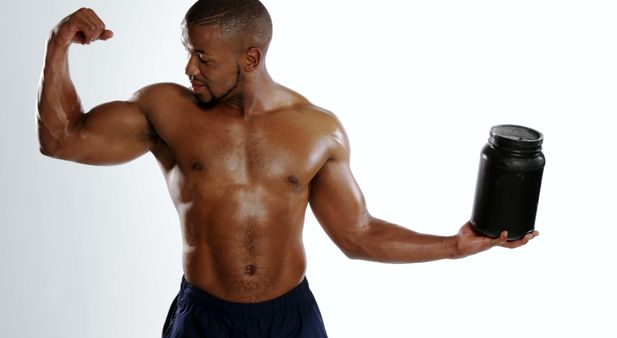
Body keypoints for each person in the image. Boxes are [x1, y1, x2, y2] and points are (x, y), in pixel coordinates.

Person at [36, 1, 538, 337]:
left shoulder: (316, 130)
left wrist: (454, 247)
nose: (189, 69)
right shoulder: (165, 110)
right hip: (204, 318)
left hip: (290, 318)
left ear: (250, 57)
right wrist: (59, 45)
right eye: (187, 52)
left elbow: (357, 236)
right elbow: (62, 140)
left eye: (202, 58)